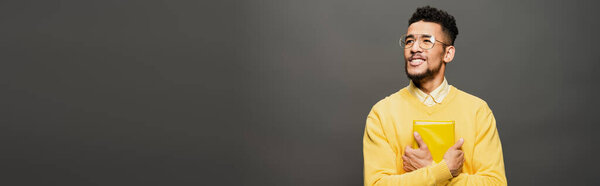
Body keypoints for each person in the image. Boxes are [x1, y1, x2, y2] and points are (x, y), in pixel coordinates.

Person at [363, 6, 507, 185]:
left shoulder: (478, 111)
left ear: (448, 53)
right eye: (409, 41)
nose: (414, 48)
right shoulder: (382, 113)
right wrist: (443, 170)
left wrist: (431, 169)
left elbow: (496, 183)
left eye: (426, 41)